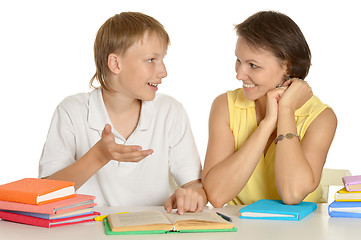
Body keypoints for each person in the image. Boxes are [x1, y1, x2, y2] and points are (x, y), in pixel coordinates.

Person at [38, 12, 207, 214]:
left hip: (155, 230)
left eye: (162, 59)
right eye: (152, 59)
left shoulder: (171, 111)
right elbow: (45, 193)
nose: (163, 71)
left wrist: (191, 195)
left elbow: (194, 185)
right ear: (115, 64)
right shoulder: (72, 111)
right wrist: (99, 156)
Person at [202, 11, 337, 207]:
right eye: (238, 60)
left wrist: (286, 112)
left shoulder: (321, 118)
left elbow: (292, 194)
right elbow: (216, 195)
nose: (240, 74)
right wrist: (267, 125)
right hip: (239, 231)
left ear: (288, 67)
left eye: (253, 65)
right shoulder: (225, 106)